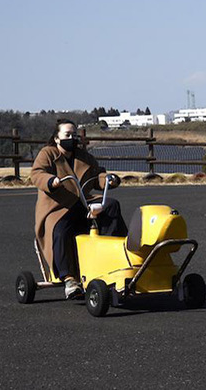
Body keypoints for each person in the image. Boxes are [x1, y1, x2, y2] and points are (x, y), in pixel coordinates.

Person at [31, 119, 128, 299]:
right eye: (67, 135)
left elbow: (96, 175)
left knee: (111, 206)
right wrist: (51, 181)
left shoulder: (83, 156)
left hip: (83, 203)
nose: (72, 138)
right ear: (57, 138)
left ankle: (117, 258)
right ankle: (69, 279)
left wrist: (109, 179)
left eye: (74, 135)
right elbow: (37, 173)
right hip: (58, 207)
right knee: (60, 229)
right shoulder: (48, 154)